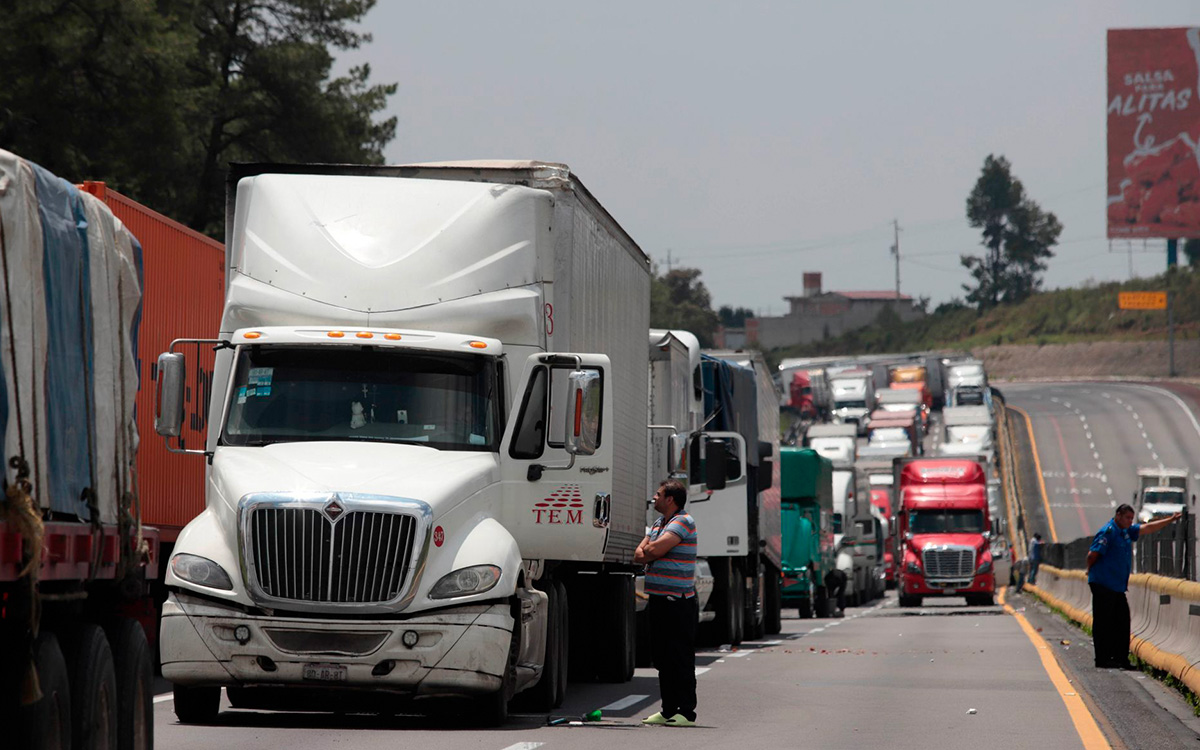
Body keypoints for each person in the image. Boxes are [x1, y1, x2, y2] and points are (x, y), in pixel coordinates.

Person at [635, 480, 698, 728]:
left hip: (678, 601)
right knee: (662, 658)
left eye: (659, 494)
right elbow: (640, 552)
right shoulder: (659, 524)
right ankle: (668, 709)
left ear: (670, 499)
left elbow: (651, 551)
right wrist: (648, 550)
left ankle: (686, 712)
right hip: (659, 599)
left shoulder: (683, 521)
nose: (654, 498)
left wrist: (649, 550)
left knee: (680, 656)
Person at [1086, 504, 1180, 669]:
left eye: (1131, 518)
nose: (1130, 521)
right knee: (1103, 623)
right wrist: (1090, 572)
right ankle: (1102, 659)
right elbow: (1092, 555)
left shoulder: (1125, 531)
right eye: (1127, 518)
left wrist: (1170, 520)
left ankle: (1120, 658)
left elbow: (1147, 528)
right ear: (1118, 516)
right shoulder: (1109, 532)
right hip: (1103, 584)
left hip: (1117, 586)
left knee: (1121, 622)